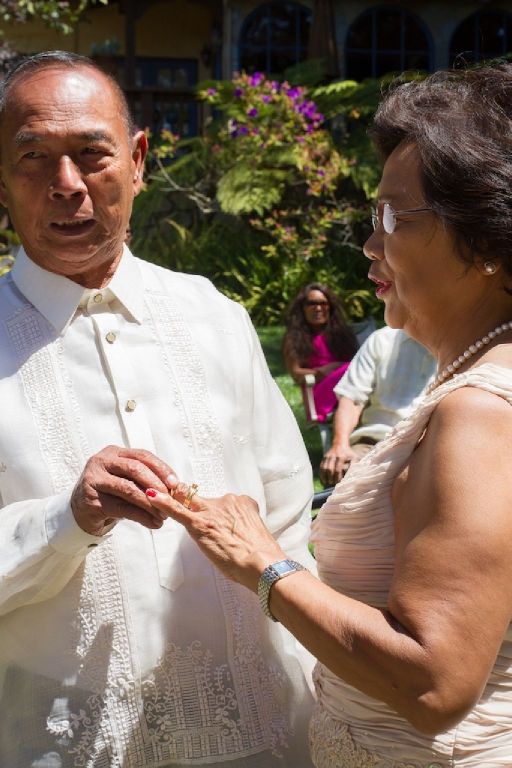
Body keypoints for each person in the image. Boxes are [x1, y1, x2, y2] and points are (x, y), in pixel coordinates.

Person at [146, 63, 512, 766]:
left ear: (489, 238)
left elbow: (434, 682)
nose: (371, 245)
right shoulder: (474, 381)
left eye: (392, 219)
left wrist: (265, 565)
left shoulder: (480, 411)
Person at [0, 52, 317, 767]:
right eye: (33, 159)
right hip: (60, 744)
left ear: (138, 161)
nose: (67, 186)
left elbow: (290, 514)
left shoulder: (214, 315)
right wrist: (65, 519)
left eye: (91, 154)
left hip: (262, 735)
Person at [319, 326, 436, 486]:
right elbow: (352, 398)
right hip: (373, 443)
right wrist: (340, 445)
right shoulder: (382, 339)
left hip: (428, 450)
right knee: (340, 468)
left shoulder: (462, 346)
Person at [283, 283, 358, 423]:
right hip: (319, 395)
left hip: (348, 386)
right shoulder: (294, 337)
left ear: (330, 306)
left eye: (323, 303)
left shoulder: (341, 334)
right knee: (354, 367)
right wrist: (324, 371)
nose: (318, 308)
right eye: (312, 303)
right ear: (302, 308)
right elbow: (295, 373)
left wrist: (338, 368)